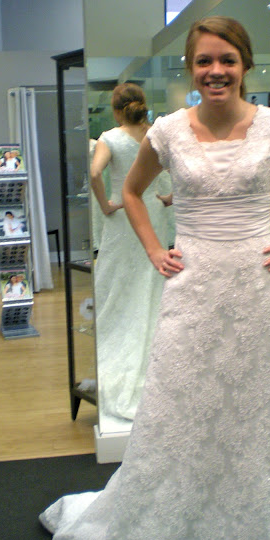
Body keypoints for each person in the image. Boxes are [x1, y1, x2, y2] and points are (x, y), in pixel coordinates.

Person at [40, 16, 270, 540]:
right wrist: (155, 248)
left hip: (255, 287)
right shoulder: (169, 131)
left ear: (245, 64)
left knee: (253, 412)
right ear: (191, 68)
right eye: (204, 61)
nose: (215, 71)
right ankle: (166, 530)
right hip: (192, 283)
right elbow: (130, 191)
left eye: (227, 60)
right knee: (179, 406)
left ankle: (251, 536)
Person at [89, 82, 170, 420]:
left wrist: (105, 205)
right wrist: (170, 197)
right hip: (153, 212)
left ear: (115, 109)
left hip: (124, 214)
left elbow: (95, 172)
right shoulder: (157, 136)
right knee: (152, 281)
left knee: (119, 281)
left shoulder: (110, 138)